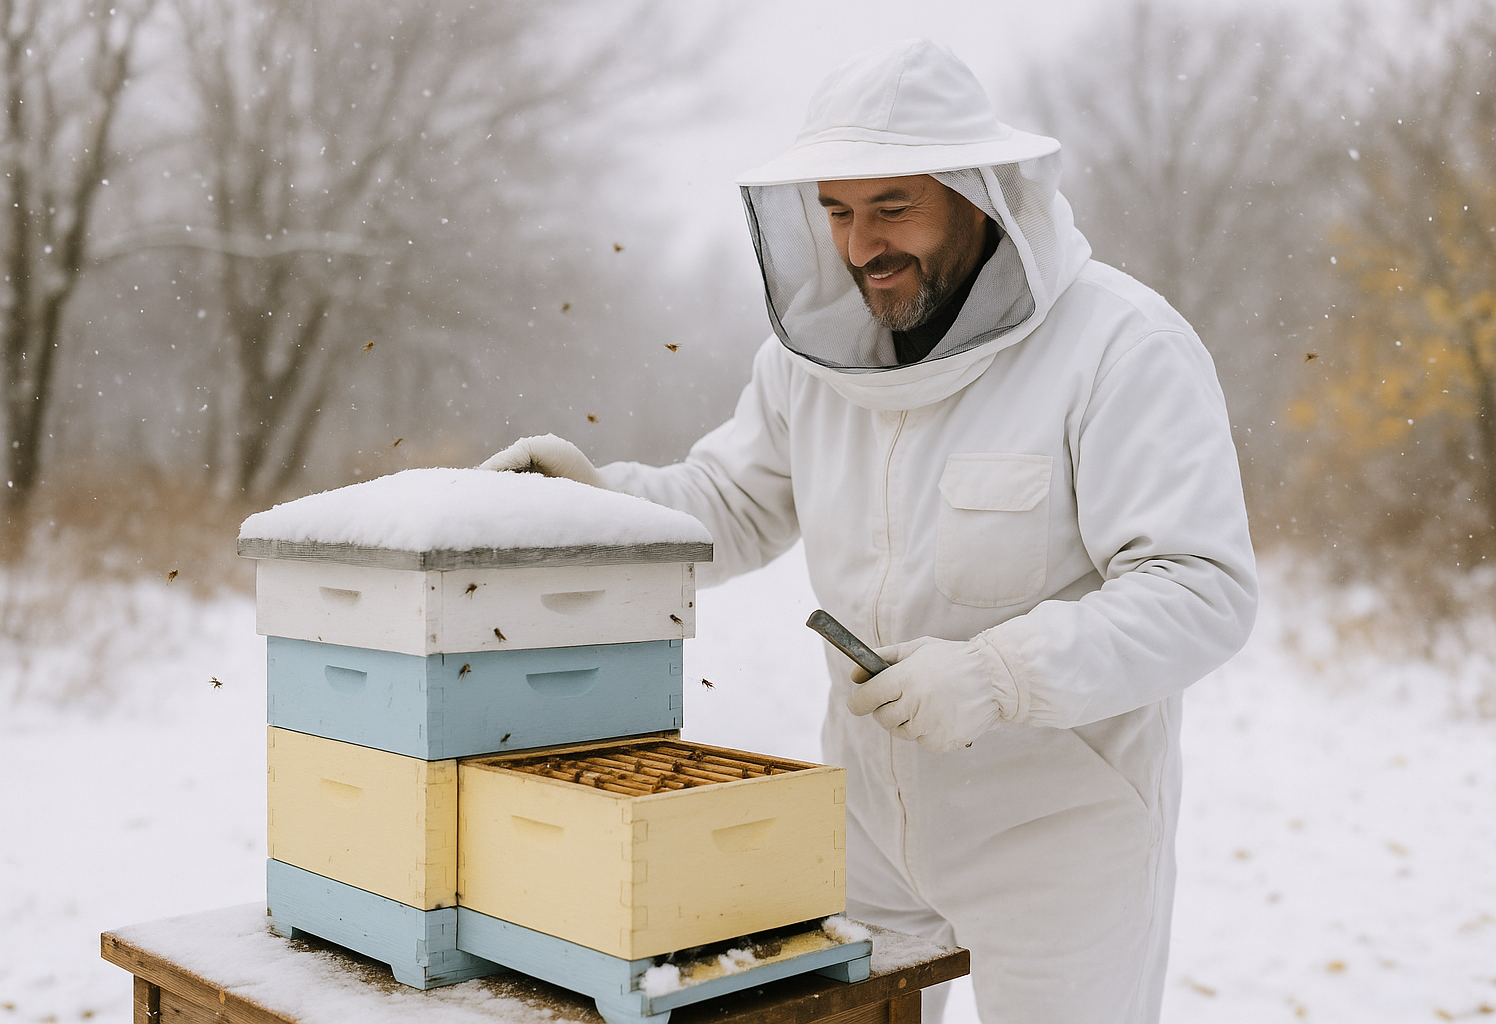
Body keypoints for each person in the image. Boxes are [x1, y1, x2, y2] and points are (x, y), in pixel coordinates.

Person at [482, 39, 1257, 1024]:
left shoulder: (1119, 348)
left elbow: (1199, 591)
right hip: (865, 831)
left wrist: (996, 674)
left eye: (892, 207)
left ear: (979, 194)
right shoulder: (814, 359)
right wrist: (597, 504)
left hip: (1064, 832)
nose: (859, 247)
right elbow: (731, 500)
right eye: (838, 212)